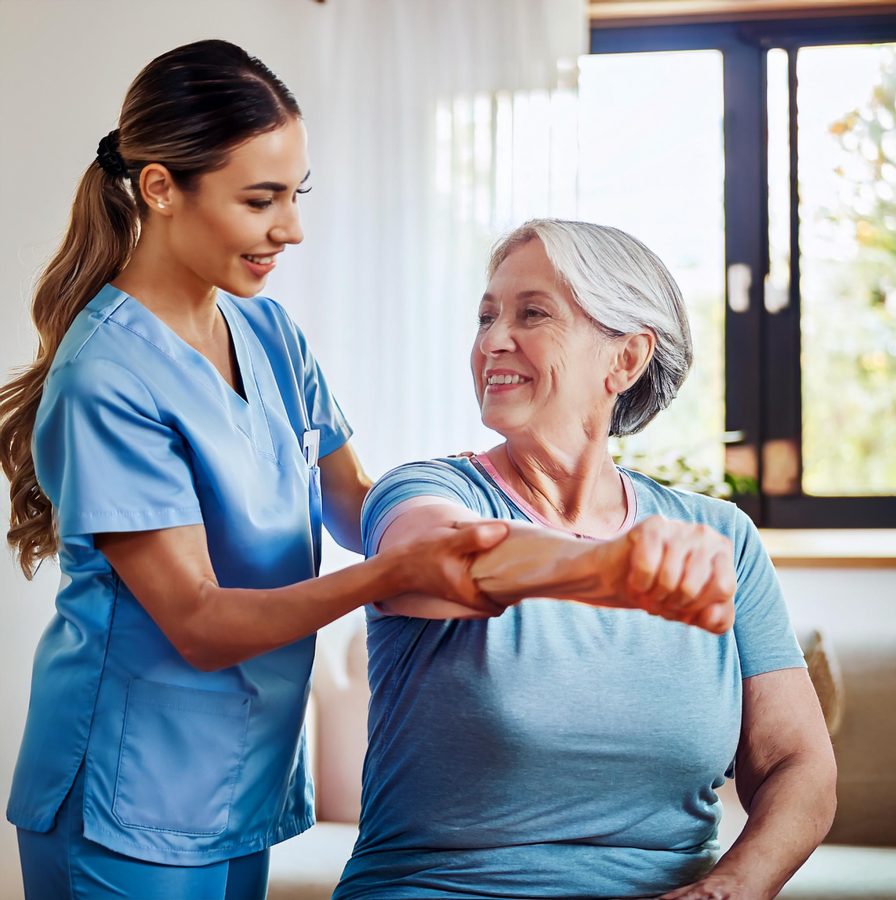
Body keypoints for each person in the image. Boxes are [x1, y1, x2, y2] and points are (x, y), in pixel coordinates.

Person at [0, 39, 522, 900]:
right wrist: (392, 574)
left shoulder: (270, 333)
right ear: (161, 188)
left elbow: (350, 500)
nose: (292, 227)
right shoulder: (106, 377)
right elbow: (198, 622)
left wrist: (467, 504)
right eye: (260, 199)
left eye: (295, 194)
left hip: (238, 779)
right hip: (128, 795)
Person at [334, 220, 838, 900]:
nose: (492, 341)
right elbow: (434, 559)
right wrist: (611, 566)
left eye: (532, 313)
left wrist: (731, 887)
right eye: (486, 317)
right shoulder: (428, 490)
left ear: (625, 360)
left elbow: (795, 761)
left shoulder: (719, 534)